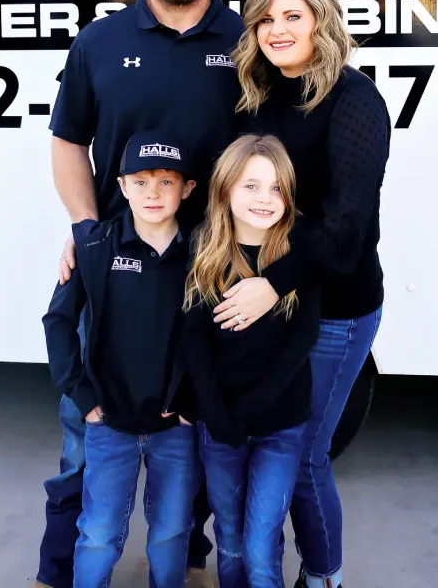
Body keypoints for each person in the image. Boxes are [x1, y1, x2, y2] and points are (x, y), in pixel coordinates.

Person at [38, 0, 277, 588]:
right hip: (115, 270)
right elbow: (67, 141)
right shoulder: (101, 40)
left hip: (211, 274)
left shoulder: (247, 41)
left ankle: (187, 559)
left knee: (194, 426)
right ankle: (58, 569)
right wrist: (86, 233)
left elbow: (276, 151)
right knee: (87, 433)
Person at [212, 0, 391, 588]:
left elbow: (346, 227)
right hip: (266, 303)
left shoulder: (353, 98)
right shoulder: (256, 97)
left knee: (304, 457)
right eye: (266, 18)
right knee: (258, 450)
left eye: (293, 15)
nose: (278, 29)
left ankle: (322, 578)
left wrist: (271, 282)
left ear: (320, 19)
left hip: (334, 308)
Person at [41, 129, 201, 588]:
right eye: (141, 181)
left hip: (175, 429)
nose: (153, 193)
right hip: (109, 423)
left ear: (187, 188)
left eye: (166, 181)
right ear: (121, 185)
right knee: (99, 533)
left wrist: (194, 402)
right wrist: (80, 392)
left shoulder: (203, 251)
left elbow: (214, 334)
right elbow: (58, 321)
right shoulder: (94, 246)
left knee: (171, 533)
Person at [183, 134, 321, 588]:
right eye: (251, 186)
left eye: (277, 188)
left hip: (279, 423)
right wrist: (216, 414)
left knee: (261, 547)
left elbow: (301, 342)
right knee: (231, 539)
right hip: (219, 426)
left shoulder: (298, 256)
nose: (265, 198)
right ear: (224, 188)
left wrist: (256, 407)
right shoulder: (206, 250)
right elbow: (195, 341)